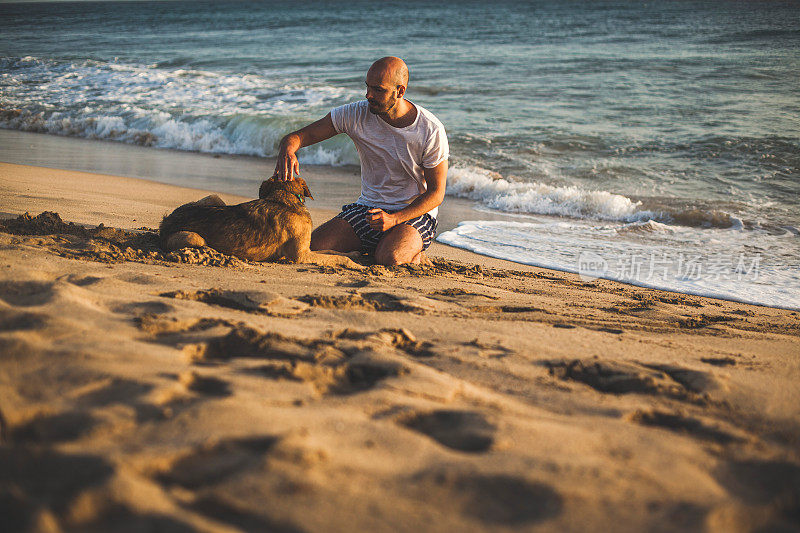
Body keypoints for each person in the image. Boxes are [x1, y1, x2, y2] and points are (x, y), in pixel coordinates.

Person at [272, 56, 449, 266]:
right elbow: (301, 136)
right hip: (368, 209)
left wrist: (394, 219)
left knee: (390, 258)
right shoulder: (355, 114)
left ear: (400, 91)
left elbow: (436, 194)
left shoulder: (430, 129)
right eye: (367, 87)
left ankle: (412, 252)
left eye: (378, 90)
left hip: (413, 213)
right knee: (312, 249)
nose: (369, 95)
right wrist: (288, 147)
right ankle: (376, 244)